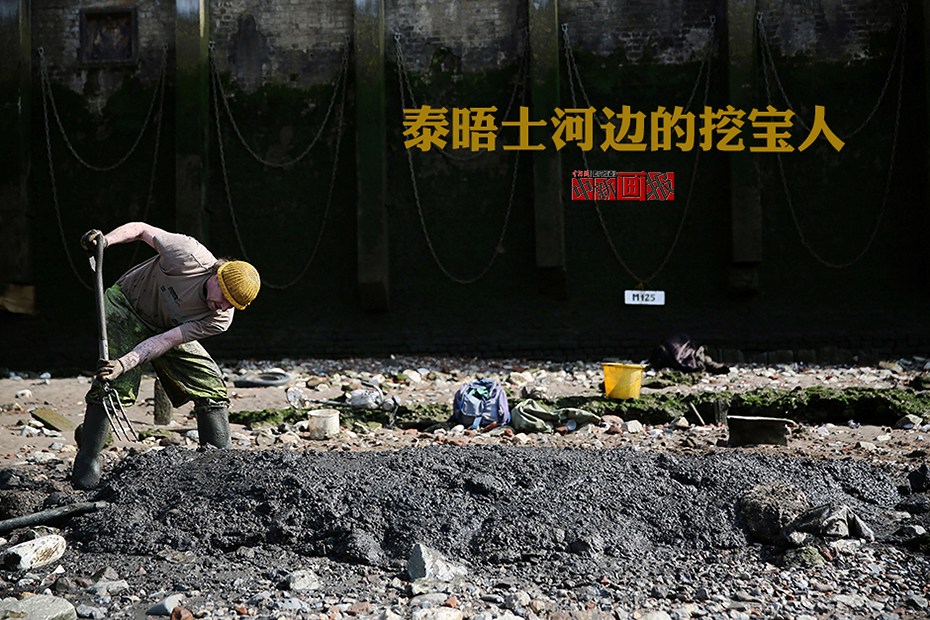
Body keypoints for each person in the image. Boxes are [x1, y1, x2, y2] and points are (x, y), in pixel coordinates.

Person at [71, 222, 260, 489]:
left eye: (233, 305)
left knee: (211, 385)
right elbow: (140, 229)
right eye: (225, 298)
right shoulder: (186, 254)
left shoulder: (220, 318)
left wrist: (126, 362)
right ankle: (86, 467)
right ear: (217, 277)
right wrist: (106, 241)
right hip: (126, 306)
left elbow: (165, 341)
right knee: (115, 385)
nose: (224, 307)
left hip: (166, 328)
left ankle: (218, 468)